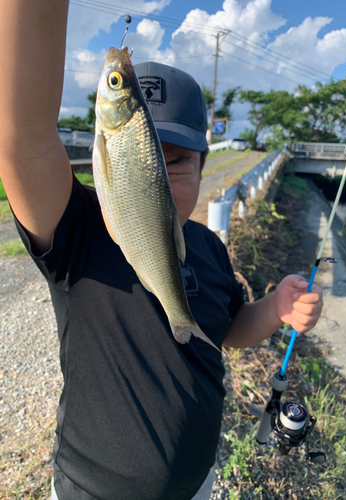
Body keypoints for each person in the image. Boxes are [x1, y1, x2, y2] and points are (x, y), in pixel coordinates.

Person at [0, 3, 323, 500]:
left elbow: (230, 328)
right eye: (155, 157)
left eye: (177, 162)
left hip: (196, 485)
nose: (163, 178)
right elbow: (25, 144)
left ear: (203, 165)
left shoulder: (209, 248)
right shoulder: (79, 231)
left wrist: (275, 309)